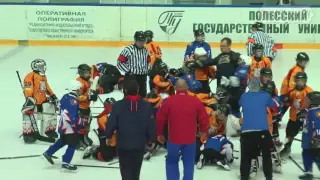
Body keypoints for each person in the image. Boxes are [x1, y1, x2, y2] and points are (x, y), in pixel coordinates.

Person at [156, 79, 209, 180]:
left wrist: (160, 133)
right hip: (190, 139)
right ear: (187, 88)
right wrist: (203, 132)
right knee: (189, 163)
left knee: (171, 161)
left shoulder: (168, 101)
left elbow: (160, 119)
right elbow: (204, 118)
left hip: (173, 139)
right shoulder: (195, 101)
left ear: (175, 89)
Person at [104, 80, 156, 180]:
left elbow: (112, 122)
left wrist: (108, 135)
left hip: (123, 143)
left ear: (125, 91)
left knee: (125, 170)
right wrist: (152, 139)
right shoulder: (146, 105)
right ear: (138, 90)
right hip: (139, 143)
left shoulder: (118, 105)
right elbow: (151, 123)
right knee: (136, 170)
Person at [239, 78, 276, 180]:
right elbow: (273, 106)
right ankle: (268, 177)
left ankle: (244, 176)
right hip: (262, 131)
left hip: (246, 131)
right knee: (266, 156)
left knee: (245, 157)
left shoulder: (244, 96)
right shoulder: (265, 95)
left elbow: (241, 104)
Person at [42, 80, 83, 171]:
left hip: (63, 125)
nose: (81, 90)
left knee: (63, 141)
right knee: (73, 144)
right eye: (80, 88)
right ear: (75, 89)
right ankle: (66, 162)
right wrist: (79, 122)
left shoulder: (65, 96)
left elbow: (60, 108)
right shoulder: (74, 101)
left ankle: (48, 153)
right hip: (69, 127)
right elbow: (71, 116)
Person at [22, 59, 58, 143]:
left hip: (43, 100)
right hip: (33, 101)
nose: (43, 68)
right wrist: (29, 99)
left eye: (43, 66)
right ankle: (29, 134)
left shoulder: (43, 76)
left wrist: (52, 95)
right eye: (40, 66)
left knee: (51, 112)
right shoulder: (30, 76)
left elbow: (46, 86)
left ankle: (49, 131)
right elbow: (28, 88)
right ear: (36, 67)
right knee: (28, 116)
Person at [280, 72, 313, 157]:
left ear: (305, 81)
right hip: (293, 117)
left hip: (305, 119)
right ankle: (287, 148)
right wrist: (281, 114)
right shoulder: (291, 91)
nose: (300, 83)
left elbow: (313, 106)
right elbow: (287, 104)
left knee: (309, 135)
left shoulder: (309, 91)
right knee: (289, 133)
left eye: (302, 80)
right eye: (298, 80)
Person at [117, 31, 151, 98]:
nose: (142, 43)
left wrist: (147, 69)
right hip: (131, 77)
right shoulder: (128, 50)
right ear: (135, 40)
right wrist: (129, 71)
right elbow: (119, 63)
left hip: (143, 78)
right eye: (139, 41)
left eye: (143, 41)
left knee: (142, 97)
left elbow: (148, 62)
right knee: (129, 97)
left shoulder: (146, 50)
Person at [82, 98, 117, 162]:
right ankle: (93, 152)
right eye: (111, 106)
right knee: (107, 157)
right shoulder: (103, 117)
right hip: (104, 136)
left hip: (114, 138)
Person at [76, 64, 98, 150]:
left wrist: (94, 93)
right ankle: (79, 141)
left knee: (87, 124)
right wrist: (89, 97)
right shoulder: (79, 82)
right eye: (86, 73)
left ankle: (85, 137)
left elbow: (90, 90)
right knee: (81, 125)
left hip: (86, 107)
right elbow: (77, 97)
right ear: (81, 73)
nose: (88, 74)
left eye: (89, 72)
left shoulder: (88, 81)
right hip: (80, 107)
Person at [299, 91, 320, 180]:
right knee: (306, 154)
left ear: (314, 101)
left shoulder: (316, 113)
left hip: (314, 140)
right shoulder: (310, 111)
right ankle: (308, 171)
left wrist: (317, 138)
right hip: (307, 140)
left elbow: (317, 125)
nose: (306, 102)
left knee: (317, 156)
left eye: (308, 100)